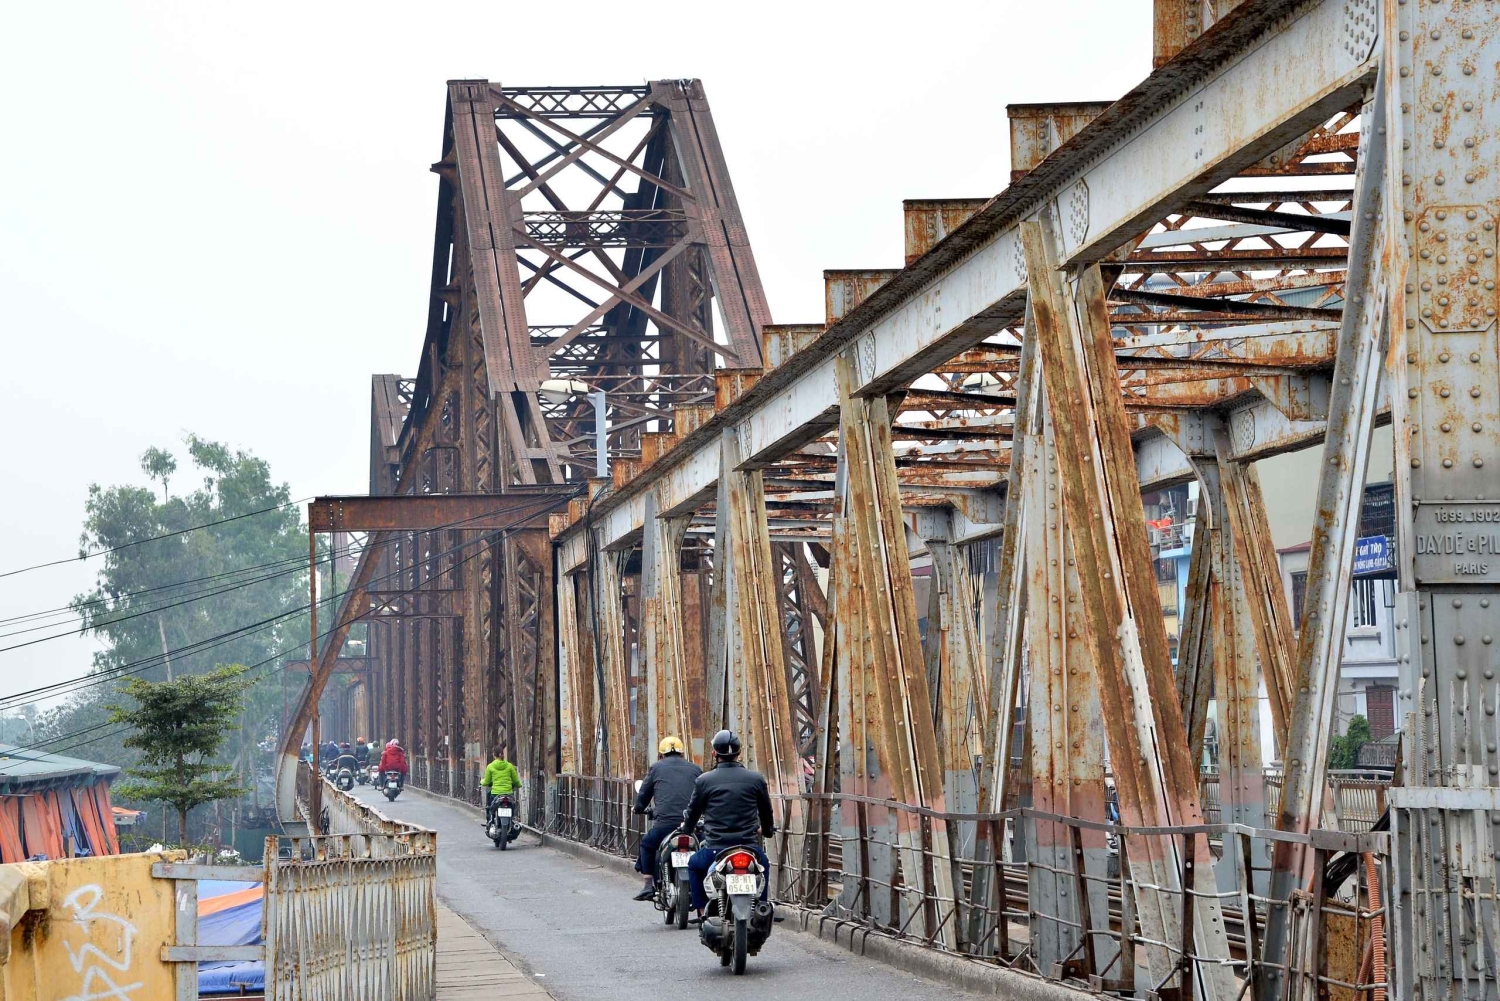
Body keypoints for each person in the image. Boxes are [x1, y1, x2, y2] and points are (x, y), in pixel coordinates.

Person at [678, 730, 774, 921]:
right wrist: (768, 831)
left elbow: (693, 812)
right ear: (739, 752)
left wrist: (687, 829)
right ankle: (761, 909)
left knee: (694, 865)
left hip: (715, 849)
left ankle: (702, 911)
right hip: (749, 849)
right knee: (764, 867)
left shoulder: (704, 780)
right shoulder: (756, 780)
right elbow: (766, 812)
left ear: (714, 753)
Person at [631, 736, 702, 901]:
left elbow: (644, 794)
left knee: (648, 844)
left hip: (665, 825)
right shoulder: (695, 769)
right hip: (691, 825)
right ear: (682, 753)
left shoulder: (656, 768)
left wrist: (639, 808)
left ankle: (648, 884)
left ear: (661, 755)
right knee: (702, 848)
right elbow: (702, 795)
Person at [481, 746, 522, 837]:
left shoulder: (490, 766)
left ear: (494, 755)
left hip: (495, 793)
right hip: (508, 793)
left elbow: (486, 782)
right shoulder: (510, 766)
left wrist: (482, 782)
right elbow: (515, 781)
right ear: (503, 755)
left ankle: (490, 820)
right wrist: (519, 785)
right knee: (513, 807)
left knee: (489, 807)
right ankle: (511, 820)